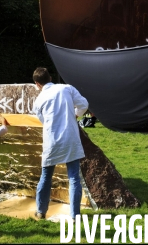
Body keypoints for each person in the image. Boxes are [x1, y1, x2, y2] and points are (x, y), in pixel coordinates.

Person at [32, 67, 88, 221]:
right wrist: (75, 115)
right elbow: (84, 104)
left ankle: (40, 212)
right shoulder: (66, 89)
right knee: (74, 178)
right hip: (70, 138)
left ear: (37, 84)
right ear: (50, 78)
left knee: (45, 176)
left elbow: (43, 121)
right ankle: (75, 216)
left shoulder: (38, 101)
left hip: (52, 141)